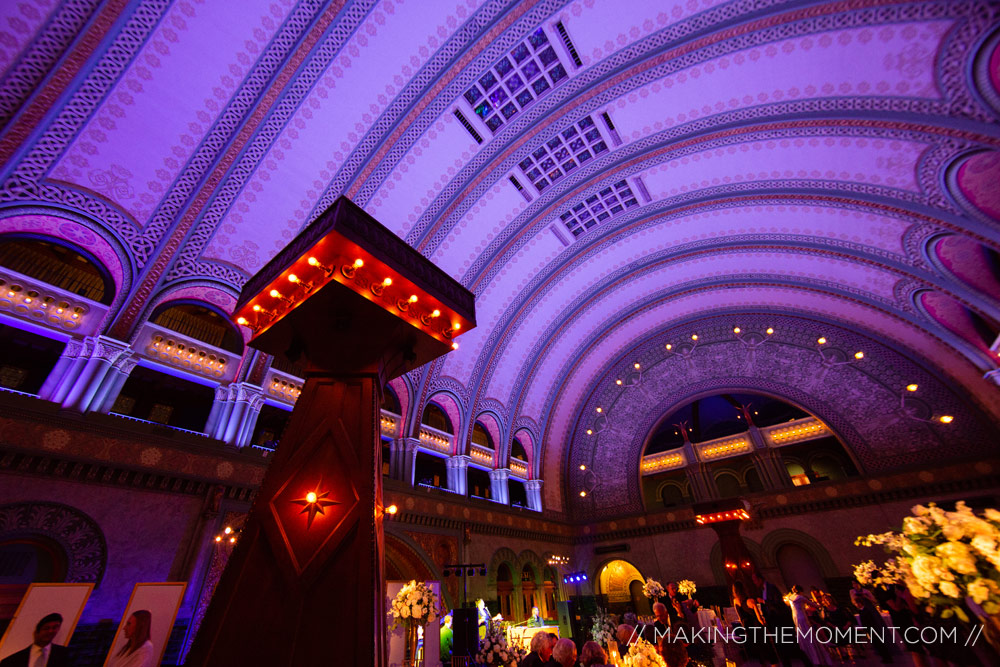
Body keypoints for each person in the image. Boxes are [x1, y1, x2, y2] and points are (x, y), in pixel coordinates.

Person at [0, 613, 71, 667]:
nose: (50, 631)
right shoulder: (11, 661)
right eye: (46, 628)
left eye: (55, 628)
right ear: (36, 632)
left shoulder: (66, 655)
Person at [785, 586, 830, 666]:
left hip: (795, 618)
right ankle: (815, 657)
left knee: (803, 636)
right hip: (802, 617)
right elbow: (815, 606)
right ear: (800, 591)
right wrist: (821, 603)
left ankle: (808, 654)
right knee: (809, 636)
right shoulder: (800, 597)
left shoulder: (790, 598)